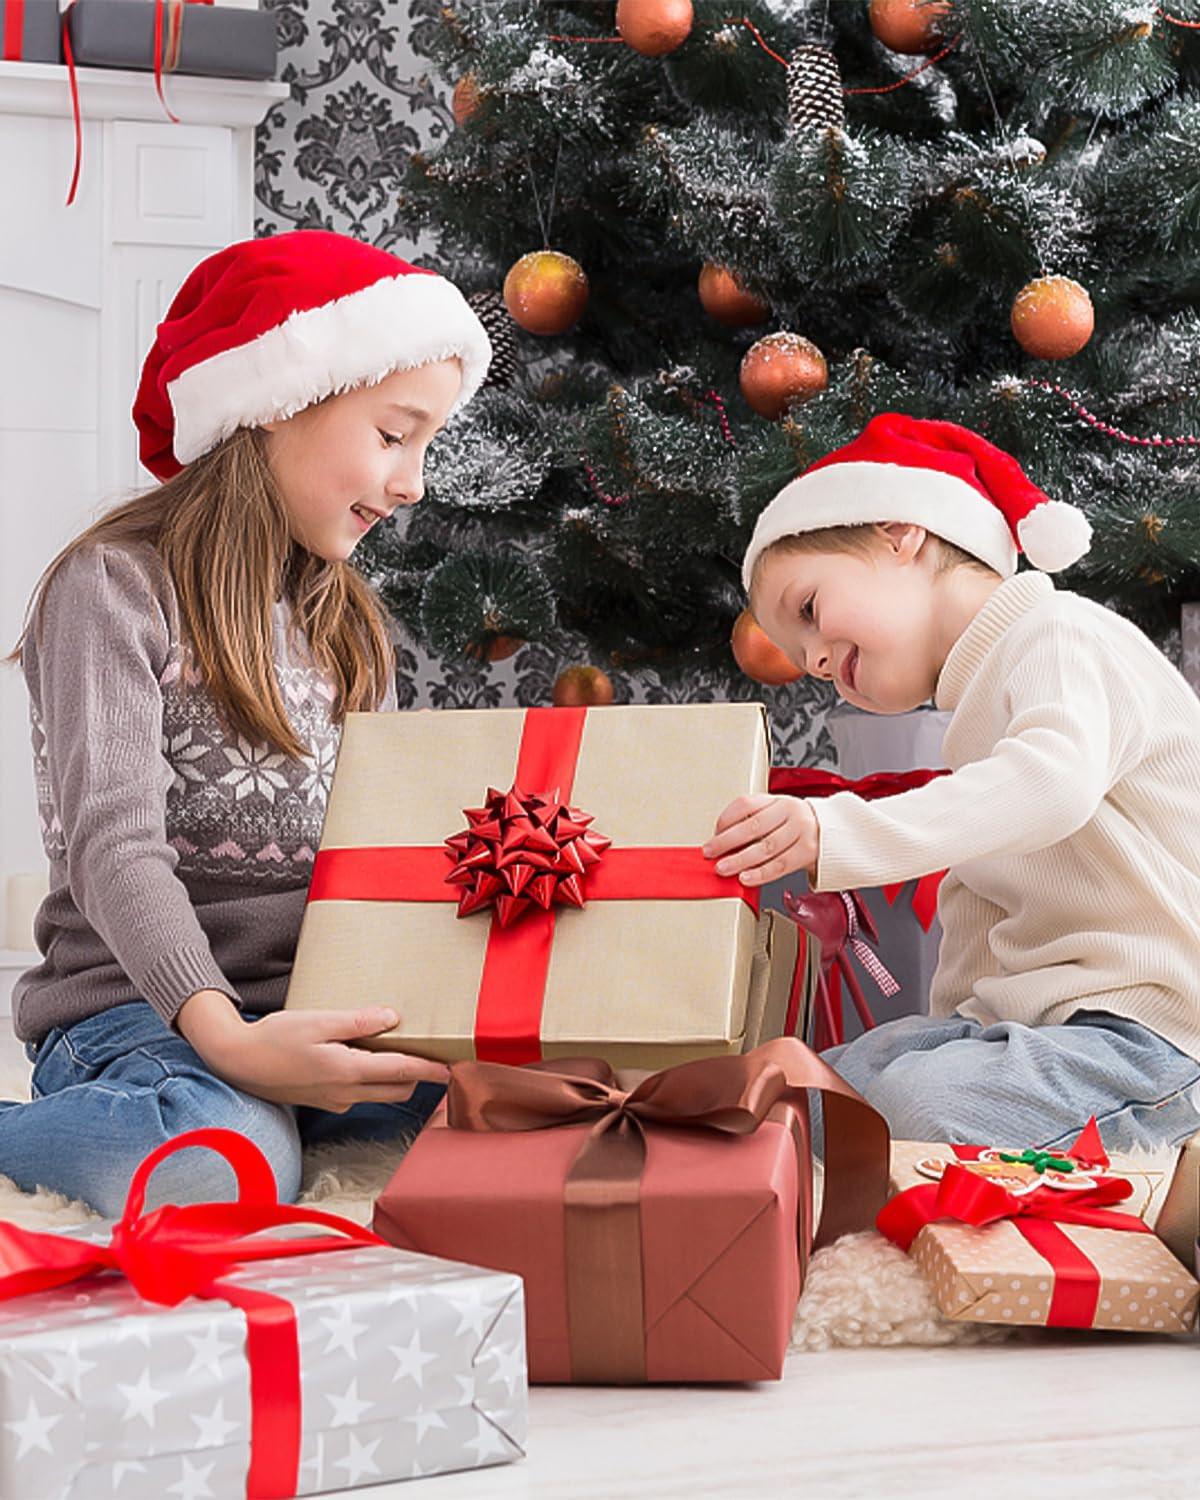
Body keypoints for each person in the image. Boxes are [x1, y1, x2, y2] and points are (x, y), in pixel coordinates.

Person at [1, 230, 492, 1214]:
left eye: (427, 446)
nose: (414, 483)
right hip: (141, 1018)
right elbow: (112, 846)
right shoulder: (112, 588)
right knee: (220, 1163)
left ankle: (279, 1110)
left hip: (310, 1018)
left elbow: (376, 859)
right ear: (275, 403)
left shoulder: (351, 626)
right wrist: (228, 1039)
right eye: (394, 436)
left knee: (542, 1106)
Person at [703, 412, 1200, 1152]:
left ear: (899, 533)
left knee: (913, 1107)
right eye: (802, 654)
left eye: (808, 610)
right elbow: (976, 912)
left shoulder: (1062, 633)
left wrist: (838, 831)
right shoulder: (975, 723)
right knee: (819, 1086)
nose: (813, 661)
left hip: (1158, 1034)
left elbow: (1051, 784)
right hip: (1044, 1031)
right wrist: (947, 1032)